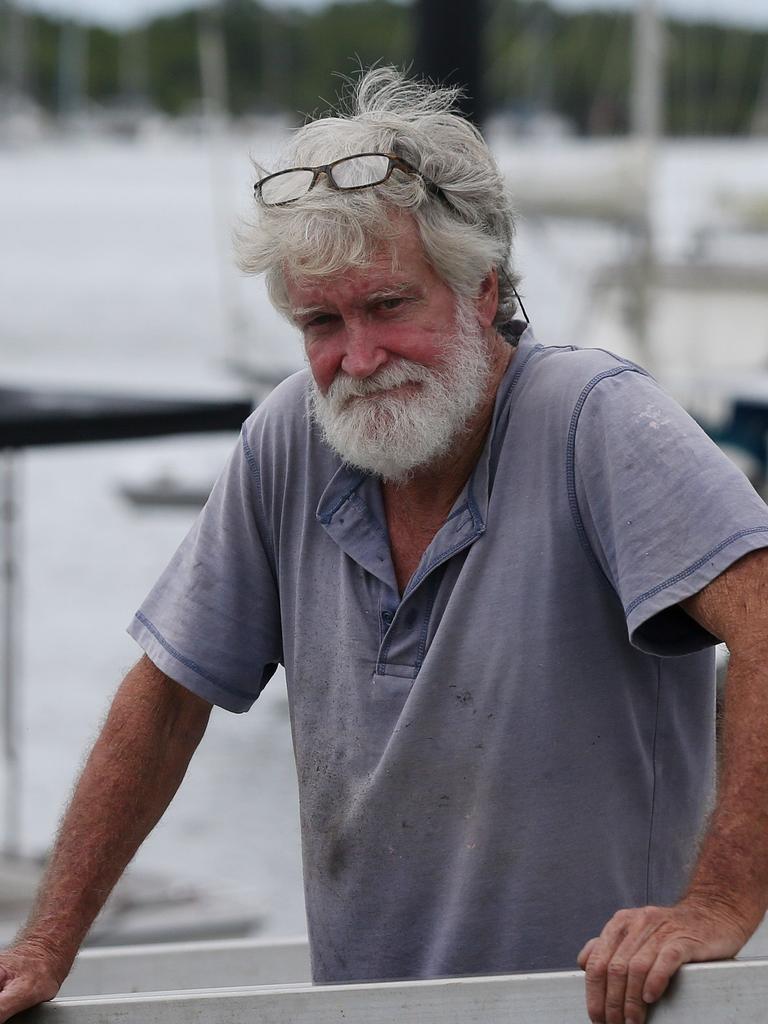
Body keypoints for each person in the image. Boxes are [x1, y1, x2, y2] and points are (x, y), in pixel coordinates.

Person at [2, 68, 768, 1024]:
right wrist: (43, 947)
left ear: (481, 289)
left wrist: (721, 902)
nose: (357, 360)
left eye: (389, 306)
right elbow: (163, 703)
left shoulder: (592, 420)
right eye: (323, 322)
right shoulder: (290, 437)